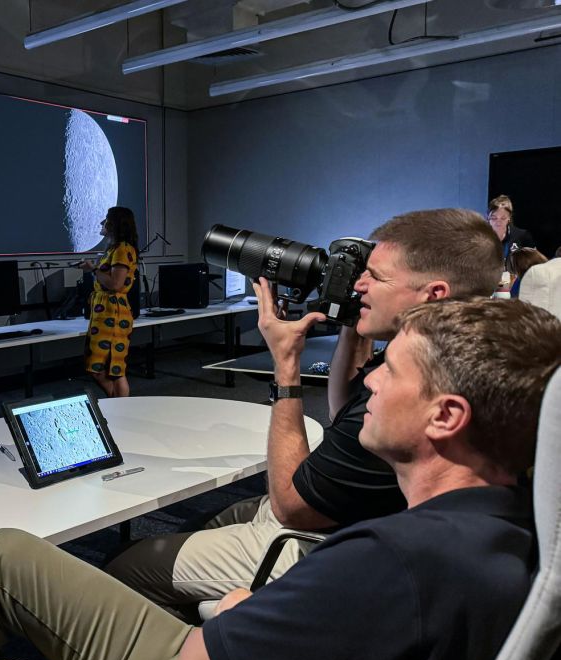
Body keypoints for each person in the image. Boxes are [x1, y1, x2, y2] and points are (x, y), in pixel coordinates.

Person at [0, 298, 561, 660]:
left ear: (445, 416)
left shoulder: (391, 559)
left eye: (392, 370)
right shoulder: (514, 526)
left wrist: (239, 616)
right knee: (6, 551)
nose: (371, 380)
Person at [105, 209, 502, 614]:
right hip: (339, 516)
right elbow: (344, 411)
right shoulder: (444, 354)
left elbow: (291, 508)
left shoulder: (414, 394)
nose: (360, 284)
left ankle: (182, 655)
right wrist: (351, 318)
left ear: (433, 295)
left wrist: (286, 366)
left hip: (319, 543)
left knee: (121, 567)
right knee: (208, 521)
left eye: (375, 278)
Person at [77, 207, 139, 398]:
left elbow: (115, 283)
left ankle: (119, 405)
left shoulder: (122, 249)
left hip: (113, 314)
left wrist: (93, 269)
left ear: (115, 224)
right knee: (105, 366)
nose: (101, 223)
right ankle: (118, 405)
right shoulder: (114, 249)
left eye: (106, 220)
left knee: (112, 367)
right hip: (105, 312)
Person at [488, 194, 536, 262]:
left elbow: (535, 262)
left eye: (503, 218)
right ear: (488, 218)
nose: (498, 222)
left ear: (509, 218)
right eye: (494, 218)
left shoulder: (522, 236)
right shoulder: (480, 238)